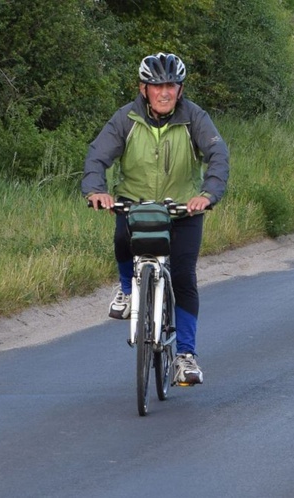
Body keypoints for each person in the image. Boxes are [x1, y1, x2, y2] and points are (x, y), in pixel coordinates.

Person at [81, 52, 229, 385]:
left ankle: (186, 356)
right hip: (136, 205)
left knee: (183, 276)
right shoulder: (125, 119)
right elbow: (97, 156)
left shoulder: (195, 118)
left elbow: (218, 155)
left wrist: (207, 195)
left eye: (172, 85)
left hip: (182, 209)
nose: (165, 92)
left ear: (180, 88)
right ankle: (127, 291)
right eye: (157, 85)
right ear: (143, 88)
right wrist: (96, 191)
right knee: (122, 238)